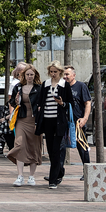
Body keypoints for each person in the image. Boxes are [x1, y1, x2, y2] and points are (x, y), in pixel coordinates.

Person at [6, 64, 43, 186]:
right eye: (27, 74)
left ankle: (31, 176)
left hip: (34, 121)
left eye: (32, 74)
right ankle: (20, 176)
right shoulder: (18, 87)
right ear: (24, 75)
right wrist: (16, 101)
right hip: (21, 119)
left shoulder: (39, 88)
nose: (29, 77)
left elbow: (42, 103)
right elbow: (11, 102)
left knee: (34, 147)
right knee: (20, 144)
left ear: (35, 75)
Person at [35, 60, 66, 188]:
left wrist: (62, 103)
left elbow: (70, 102)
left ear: (60, 72)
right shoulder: (45, 84)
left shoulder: (64, 84)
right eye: (51, 71)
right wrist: (40, 108)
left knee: (56, 149)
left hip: (59, 121)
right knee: (50, 149)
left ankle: (53, 180)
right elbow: (41, 100)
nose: (53, 74)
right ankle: (59, 171)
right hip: (47, 119)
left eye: (55, 72)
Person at [59, 65, 92, 167]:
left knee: (82, 147)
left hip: (77, 122)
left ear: (74, 75)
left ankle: (87, 170)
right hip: (63, 121)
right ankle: (58, 172)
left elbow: (88, 103)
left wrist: (85, 118)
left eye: (67, 74)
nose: (65, 76)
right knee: (60, 147)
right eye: (63, 74)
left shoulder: (81, 86)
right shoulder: (61, 87)